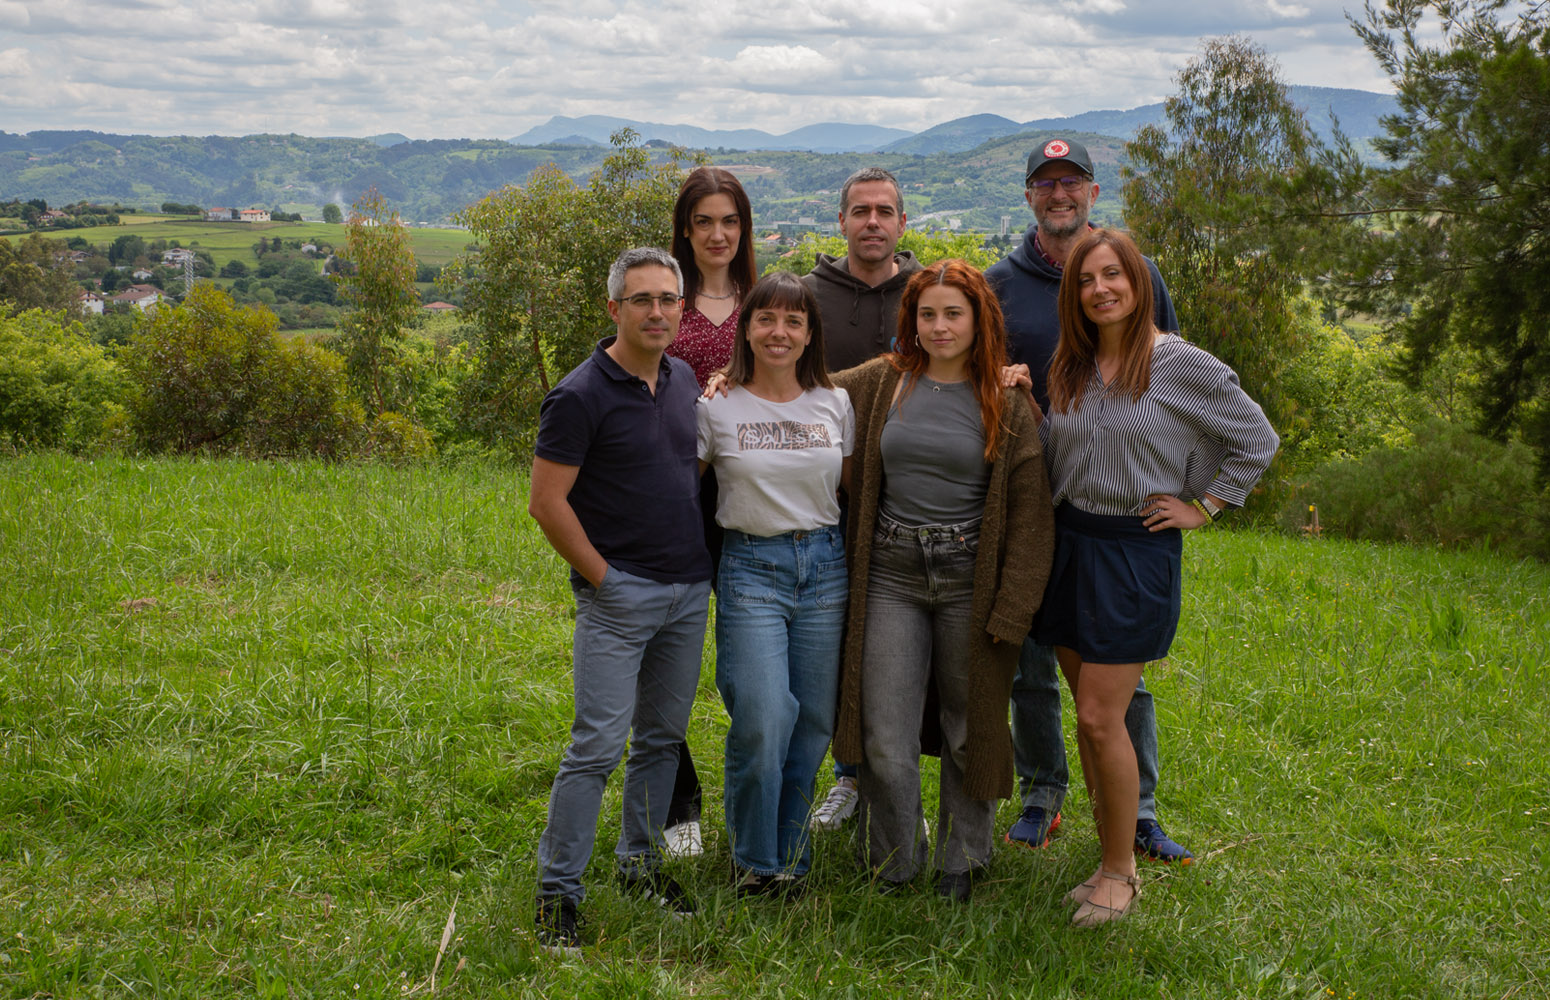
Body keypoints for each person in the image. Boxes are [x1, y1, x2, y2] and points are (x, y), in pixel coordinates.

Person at [1034, 228, 1278, 926]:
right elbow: (1060, 450)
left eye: (1114, 275)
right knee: (1088, 723)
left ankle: (1121, 873)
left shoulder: (1178, 363)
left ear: (1139, 285)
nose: (1100, 289)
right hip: (1070, 545)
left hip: (1134, 551)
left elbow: (1257, 438)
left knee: (1098, 716)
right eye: (1086, 280)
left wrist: (1205, 506)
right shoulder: (1073, 364)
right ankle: (1109, 854)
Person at [985, 136, 1193, 864]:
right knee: (1033, 661)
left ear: (1093, 194)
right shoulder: (997, 285)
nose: (1059, 193)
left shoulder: (1135, 273)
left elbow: (1178, 383)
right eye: (1046, 184)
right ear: (1030, 198)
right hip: (1031, 504)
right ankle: (1044, 792)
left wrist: (1195, 493)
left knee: (1117, 674)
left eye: (1072, 182)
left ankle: (1138, 810)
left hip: (1119, 515)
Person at [829, 259, 1054, 903]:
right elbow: (799, 381)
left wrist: (1011, 613)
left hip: (969, 577)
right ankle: (897, 861)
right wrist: (732, 375)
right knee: (884, 731)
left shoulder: (1006, 398)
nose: (939, 325)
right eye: (927, 313)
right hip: (891, 572)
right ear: (912, 319)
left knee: (969, 725)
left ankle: (964, 859)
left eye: (954, 313)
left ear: (980, 318)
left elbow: (1034, 520)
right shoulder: (884, 381)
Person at [528, 247, 711, 953]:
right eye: (642, 299)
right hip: (621, 596)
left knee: (662, 740)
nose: (658, 311)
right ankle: (557, 895)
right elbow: (547, 504)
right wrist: (606, 580)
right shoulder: (579, 394)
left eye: (669, 298)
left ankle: (639, 863)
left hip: (688, 591)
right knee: (596, 747)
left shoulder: (684, 377)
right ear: (614, 308)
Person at [697, 271, 854, 896]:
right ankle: (754, 861)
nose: (779, 332)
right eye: (766, 319)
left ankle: (790, 852)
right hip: (750, 568)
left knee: (813, 721)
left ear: (810, 332)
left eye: (794, 320)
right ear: (747, 327)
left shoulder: (834, 402)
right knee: (762, 717)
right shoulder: (717, 405)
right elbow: (676, 485)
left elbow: (850, 486)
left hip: (824, 567)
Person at [803, 166, 922, 832]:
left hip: (918, 505)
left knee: (903, 656)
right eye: (860, 211)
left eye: (885, 211)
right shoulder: (809, 297)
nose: (872, 221)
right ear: (841, 221)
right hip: (828, 504)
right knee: (845, 646)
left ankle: (898, 786)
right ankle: (850, 777)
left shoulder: (930, 293)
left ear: (904, 224)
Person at [660, 166, 760, 859]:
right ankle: (676, 806)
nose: (718, 234)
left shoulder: (767, 302)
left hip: (755, 500)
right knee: (668, 657)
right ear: (685, 231)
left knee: (751, 664)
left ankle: (760, 796)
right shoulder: (665, 302)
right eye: (705, 222)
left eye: (729, 221)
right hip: (675, 497)